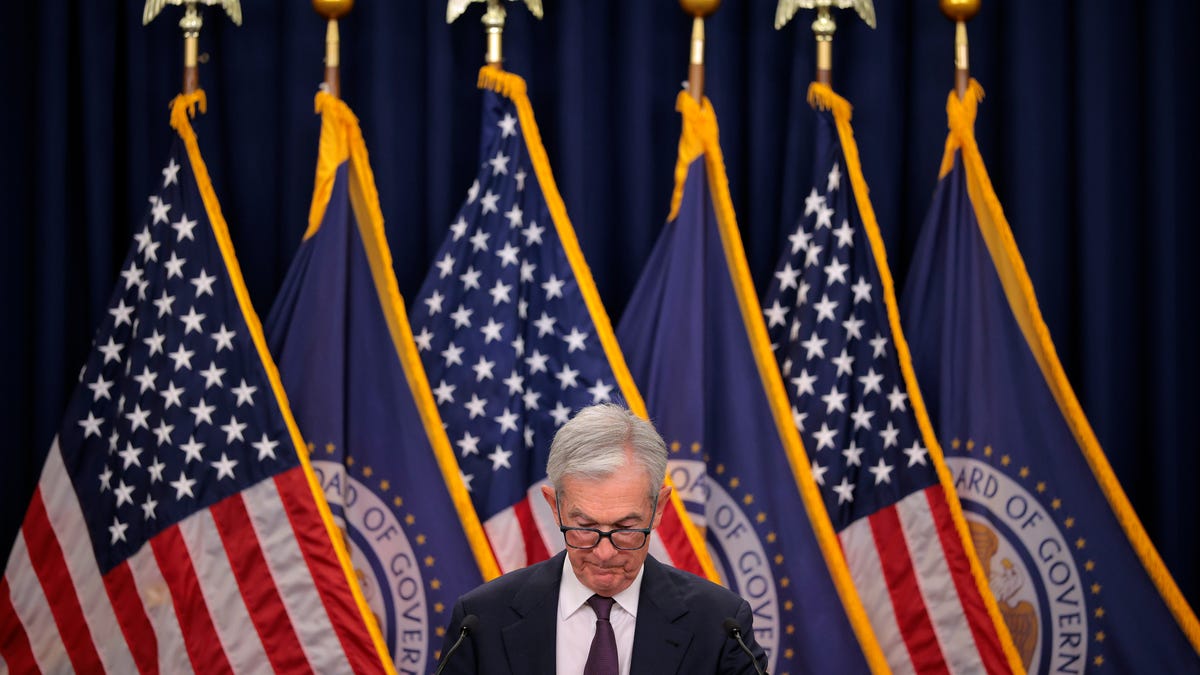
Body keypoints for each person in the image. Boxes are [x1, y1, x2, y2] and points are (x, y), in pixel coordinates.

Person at [436, 403, 769, 675]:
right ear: (556, 507)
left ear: (658, 508)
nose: (605, 553)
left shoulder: (720, 626)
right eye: (585, 527)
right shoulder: (480, 622)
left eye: (626, 529)